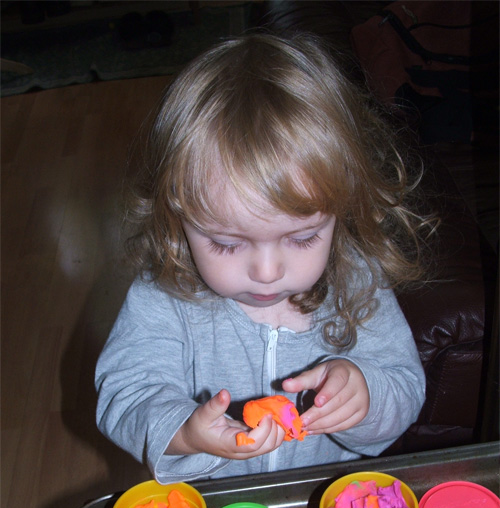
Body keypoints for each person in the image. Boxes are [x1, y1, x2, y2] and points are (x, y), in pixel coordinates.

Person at [95, 32, 437, 484]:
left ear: (342, 206)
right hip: (216, 507)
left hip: (321, 501)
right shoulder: (164, 293)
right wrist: (184, 431)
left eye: (303, 238)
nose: (267, 272)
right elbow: (126, 393)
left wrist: (365, 394)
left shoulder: (357, 281)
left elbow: (405, 386)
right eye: (226, 244)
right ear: (176, 214)